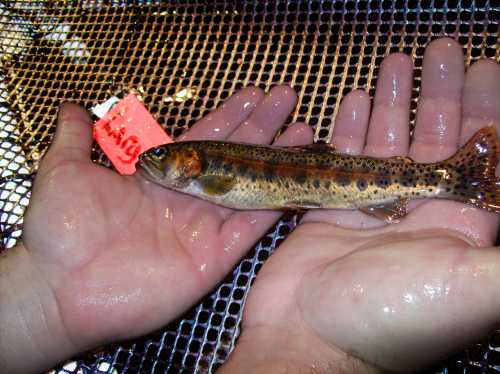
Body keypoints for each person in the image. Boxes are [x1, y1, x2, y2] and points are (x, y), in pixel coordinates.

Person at [1, 37, 499, 373]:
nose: (149, 162)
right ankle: (449, 178)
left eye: (161, 159)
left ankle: (451, 178)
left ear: (190, 163)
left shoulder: (208, 175)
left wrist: (43, 298)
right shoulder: (202, 175)